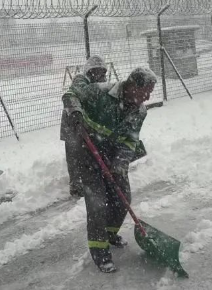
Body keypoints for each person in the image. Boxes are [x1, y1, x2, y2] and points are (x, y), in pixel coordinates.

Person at [62, 67, 156, 273]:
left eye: (150, 92)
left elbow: (130, 141)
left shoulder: (140, 111)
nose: (147, 97)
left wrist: (119, 165)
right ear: (132, 85)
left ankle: (109, 234)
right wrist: (76, 111)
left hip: (112, 155)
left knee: (123, 199)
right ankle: (99, 252)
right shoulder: (100, 92)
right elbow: (70, 94)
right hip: (87, 151)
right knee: (97, 204)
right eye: (145, 91)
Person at [60, 55, 107, 198]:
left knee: (89, 152)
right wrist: (76, 112)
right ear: (89, 72)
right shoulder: (81, 81)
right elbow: (73, 94)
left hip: (88, 124)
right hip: (72, 123)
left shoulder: (102, 84)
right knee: (74, 153)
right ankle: (76, 184)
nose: (98, 75)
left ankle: (92, 177)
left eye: (101, 72)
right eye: (95, 71)